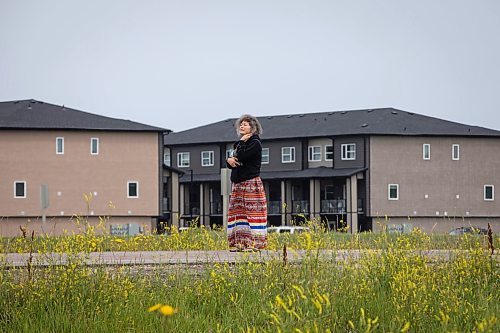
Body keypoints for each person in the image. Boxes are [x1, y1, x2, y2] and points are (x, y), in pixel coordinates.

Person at [226, 114, 267, 252]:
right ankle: (239, 243)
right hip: (238, 183)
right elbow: (234, 162)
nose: (242, 126)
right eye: (241, 124)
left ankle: (255, 244)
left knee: (252, 213)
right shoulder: (238, 144)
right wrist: (229, 161)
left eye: (245, 124)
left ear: (253, 127)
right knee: (238, 213)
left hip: (250, 182)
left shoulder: (255, 142)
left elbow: (242, 157)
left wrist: (241, 145)